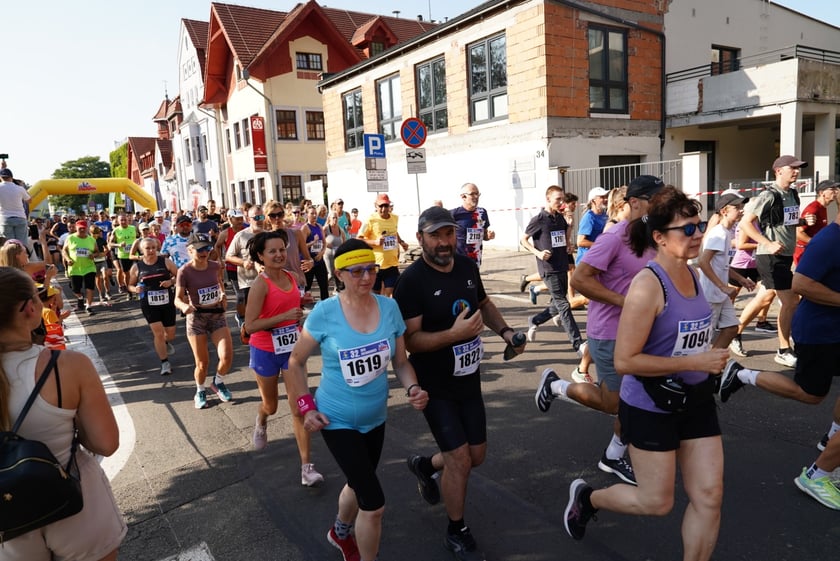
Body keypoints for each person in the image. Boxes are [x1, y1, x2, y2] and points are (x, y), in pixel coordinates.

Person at [563, 187, 730, 561]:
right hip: (652, 404)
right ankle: (588, 498)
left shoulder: (694, 275)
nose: (698, 234)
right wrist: (694, 362)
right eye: (686, 229)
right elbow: (625, 361)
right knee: (656, 502)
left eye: (699, 225)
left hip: (697, 399)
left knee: (709, 496)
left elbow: (691, 340)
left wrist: (709, 357)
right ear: (659, 238)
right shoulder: (647, 286)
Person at [393, 206, 525, 561]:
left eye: (448, 233)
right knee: (461, 460)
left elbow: (483, 303)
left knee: (476, 456)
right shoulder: (411, 282)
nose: (443, 242)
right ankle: (457, 528)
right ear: (420, 238)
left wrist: (506, 331)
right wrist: (453, 334)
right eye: (435, 235)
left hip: (468, 380)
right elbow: (410, 342)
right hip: (434, 386)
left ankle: (425, 466)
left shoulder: (467, 265)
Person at [286, 238, 428, 561]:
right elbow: (295, 362)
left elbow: (402, 361)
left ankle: (339, 531)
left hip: (375, 418)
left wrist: (413, 389)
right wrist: (306, 407)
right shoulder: (325, 313)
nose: (367, 277)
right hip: (336, 419)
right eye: (358, 271)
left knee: (357, 481)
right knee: (374, 504)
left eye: (372, 269)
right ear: (339, 274)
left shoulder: (389, 307)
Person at [538, 175, 666, 486]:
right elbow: (580, 280)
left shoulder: (655, 236)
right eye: (656, 200)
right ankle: (556, 386)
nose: (663, 205)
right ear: (634, 203)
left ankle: (614, 453)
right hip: (610, 331)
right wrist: (626, 302)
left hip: (643, 330)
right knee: (615, 404)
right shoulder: (614, 237)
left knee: (638, 398)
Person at [718, 204, 840, 510]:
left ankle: (832, 444)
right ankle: (741, 374)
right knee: (810, 394)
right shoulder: (830, 240)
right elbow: (800, 284)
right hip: (819, 334)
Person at [0, 267, 126, 560]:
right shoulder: (67, 365)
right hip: (73, 501)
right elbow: (106, 443)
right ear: (30, 309)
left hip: (8, 521)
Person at [244, 229, 324, 486]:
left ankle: (306, 467)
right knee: (271, 405)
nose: (279, 255)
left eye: (282, 250)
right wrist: (285, 316)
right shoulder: (259, 284)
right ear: (261, 255)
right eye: (272, 251)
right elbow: (250, 325)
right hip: (265, 350)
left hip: (292, 350)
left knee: (299, 407)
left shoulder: (291, 276)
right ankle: (262, 419)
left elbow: (292, 305)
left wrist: (303, 299)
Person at [738, 154, 804, 368]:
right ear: (778, 171)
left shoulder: (793, 193)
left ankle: (734, 333)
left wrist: (803, 221)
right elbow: (746, 223)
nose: (796, 171)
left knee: (764, 299)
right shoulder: (768, 195)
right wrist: (768, 242)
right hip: (770, 255)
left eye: (797, 168)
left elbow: (788, 222)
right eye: (792, 168)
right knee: (790, 301)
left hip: (784, 256)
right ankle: (783, 349)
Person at [521, 185, 591, 381]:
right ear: (548, 199)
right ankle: (578, 344)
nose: (561, 203)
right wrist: (538, 253)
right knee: (563, 304)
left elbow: (565, 242)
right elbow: (524, 240)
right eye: (557, 199)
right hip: (548, 268)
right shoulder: (539, 219)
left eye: (562, 200)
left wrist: (568, 226)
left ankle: (534, 320)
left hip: (561, 264)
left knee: (557, 304)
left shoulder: (559, 218)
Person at [174, 233, 234, 409]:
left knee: (227, 356)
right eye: (200, 249)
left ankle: (218, 382)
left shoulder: (215, 266)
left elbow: (219, 283)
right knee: (202, 363)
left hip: (216, 315)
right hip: (197, 318)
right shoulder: (184, 271)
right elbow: (177, 298)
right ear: (190, 250)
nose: (205, 252)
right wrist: (184, 307)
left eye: (207, 248)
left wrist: (223, 295)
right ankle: (200, 390)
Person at [697, 192, 755, 351]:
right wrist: (722, 286)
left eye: (742, 206)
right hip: (711, 295)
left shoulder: (727, 233)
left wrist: (741, 279)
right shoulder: (719, 234)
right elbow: (703, 262)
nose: (741, 210)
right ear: (724, 211)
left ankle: (712, 362)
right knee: (703, 339)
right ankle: (702, 369)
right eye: (737, 207)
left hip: (720, 295)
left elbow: (723, 265)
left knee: (732, 328)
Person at [128, 238, 180, 376]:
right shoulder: (137, 267)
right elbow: (130, 285)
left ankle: (165, 343)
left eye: (153, 248)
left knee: (170, 334)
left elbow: (180, 275)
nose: (151, 251)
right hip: (149, 304)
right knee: (158, 333)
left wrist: (171, 281)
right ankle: (165, 362)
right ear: (141, 250)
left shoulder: (165, 262)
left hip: (167, 302)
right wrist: (135, 290)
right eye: (147, 248)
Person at [360, 193, 409, 297]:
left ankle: (386, 311)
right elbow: (359, 239)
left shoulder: (395, 218)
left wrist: (401, 242)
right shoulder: (370, 220)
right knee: (376, 296)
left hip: (392, 264)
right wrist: (374, 242)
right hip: (376, 265)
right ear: (375, 206)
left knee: (391, 295)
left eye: (385, 205)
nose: (383, 209)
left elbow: (394, 232)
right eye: (380, 206)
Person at [450, 182, 494, 267]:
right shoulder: (454, 214)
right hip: (459, 262)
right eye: (472, 194)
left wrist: (488, 236)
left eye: (477, 194)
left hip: (476, 261)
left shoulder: (482, 212)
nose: (476, 197)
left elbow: (484, 235)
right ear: (463, 197)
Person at [794, 179, 837, 265]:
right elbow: (798, 233)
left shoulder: (823, 207)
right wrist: (816, 243)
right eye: (832, 189)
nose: (835, 192)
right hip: (805, 253)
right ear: (822, 193)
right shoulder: (813, 208)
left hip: (814, 251)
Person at [62, 220, 101, 314]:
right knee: (75, 289)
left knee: (90, 287)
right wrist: (68, 259)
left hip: (89, 267)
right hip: (75, 268)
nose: (82, 230)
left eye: (84, 228)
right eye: (80, 228)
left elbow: (97, 251)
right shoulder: (70, 238)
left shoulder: (91, 239)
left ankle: (88, 306)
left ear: (87, 228)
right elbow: (64, 251)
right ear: (76, 228)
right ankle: (80, 297)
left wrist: (94, 255)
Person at [301, 206, 330, 301]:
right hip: (308, 261)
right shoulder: (305, 228)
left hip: (319, 260)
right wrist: (313, 242)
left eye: (315, 213)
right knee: (307, 285)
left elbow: (324, 243)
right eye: (312, 213)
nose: (314, 215)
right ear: (307, 215)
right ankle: (300, 304)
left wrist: (322, 253)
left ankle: (325, 305)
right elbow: (301, 246)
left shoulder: (319, 226)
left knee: (324, 284)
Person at [575, 186, 609, 265]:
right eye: (602, 197)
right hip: (586, 261)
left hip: (598, 259)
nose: (606, 199)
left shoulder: (605, 215)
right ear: (593, 200)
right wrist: (600, 246)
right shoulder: (589, 217)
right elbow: (580, 242)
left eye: (606, 197)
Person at [0, 167, 31, 245]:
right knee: (22, 244)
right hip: (20, 217)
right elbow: (29, 200)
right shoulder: (19, 188)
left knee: (9, 245)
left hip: (5, 219)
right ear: (12, 177)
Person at [109, 214, 137, 297]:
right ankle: (129, 291)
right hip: (123, 256)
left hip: (134, 254)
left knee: (137, 272)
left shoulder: (133, 228)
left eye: (125, 220)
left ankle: (137, 289)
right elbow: (110, 244)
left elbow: (139, 238)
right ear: (118, 221)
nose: (123, 222)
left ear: (128, 220)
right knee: (126, 274)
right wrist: (119, 245)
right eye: (121, 220)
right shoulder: (116, 230)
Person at [323, 210, 347, 293]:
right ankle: (324, 286)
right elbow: (320, 240)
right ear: (329, 218)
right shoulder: (326, 228)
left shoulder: (340, 230)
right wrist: (326, 244)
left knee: (337, 272)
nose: (335, 220)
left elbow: (344, 242)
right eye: (333, 218)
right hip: (328, 255)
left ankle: (336, 289)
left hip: (338, 255)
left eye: (336, 218)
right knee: (330, 273)